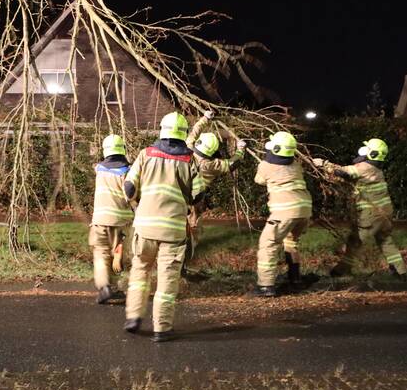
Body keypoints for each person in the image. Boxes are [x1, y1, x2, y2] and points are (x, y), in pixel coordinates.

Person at [123, 111, 204, 342]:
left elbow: (129, 187)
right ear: (184, 134)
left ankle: (133, 317)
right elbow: (199, 194)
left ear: (162, 130)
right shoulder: (190, 160)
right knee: (168, 280)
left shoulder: (145, 154)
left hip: (145, 227)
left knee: (140, 272)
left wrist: (137, 202)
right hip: (173, 230)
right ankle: (162, 328)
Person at [315, 138, 407, 278]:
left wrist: (322, 164)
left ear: (373, 154)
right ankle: (401, 272)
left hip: (371, 215)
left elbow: (342, 172)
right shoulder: (376, 171)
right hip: (385, 214)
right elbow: (348, 179)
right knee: (385, 240)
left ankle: (341, 270)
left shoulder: (364, 168)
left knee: (355, 241)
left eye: (367, 149)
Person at [183, 110, 246, 269]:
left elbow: (194, 132)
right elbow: (231, 164)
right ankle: (188, 258)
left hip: (181, 194)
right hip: (196, 199)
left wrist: (204, 119)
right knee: (193, 227)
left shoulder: (188, 148)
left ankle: (181, 256)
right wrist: (240, 150)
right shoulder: (211, 164)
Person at [253, 131, 313, 297]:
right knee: (291, 241)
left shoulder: (265, 166)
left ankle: (265, 286)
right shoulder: (296, 165)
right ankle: (295, 280)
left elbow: (258, 180)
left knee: (268, 243)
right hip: (304, 209)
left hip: (285, 210)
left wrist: (263, 162)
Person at [89, 133, 132, 304]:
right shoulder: (127, 171)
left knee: (100, 254)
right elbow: (132, 194)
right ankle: (112, 285)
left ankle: (105, 287)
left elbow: (97, 165)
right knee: (115, 253)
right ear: (122, 150)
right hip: (120, 222)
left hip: (99, 220)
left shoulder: (99, 169)